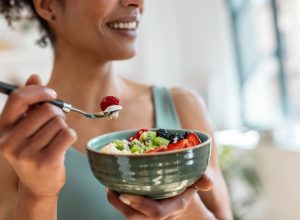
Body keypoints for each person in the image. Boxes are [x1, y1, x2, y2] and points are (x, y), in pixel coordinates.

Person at [0, 0, 232, 219]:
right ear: (47, 4)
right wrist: (38, 195)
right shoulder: (16, 142)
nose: (137, 2)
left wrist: (186, 210)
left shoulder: (184, 106)